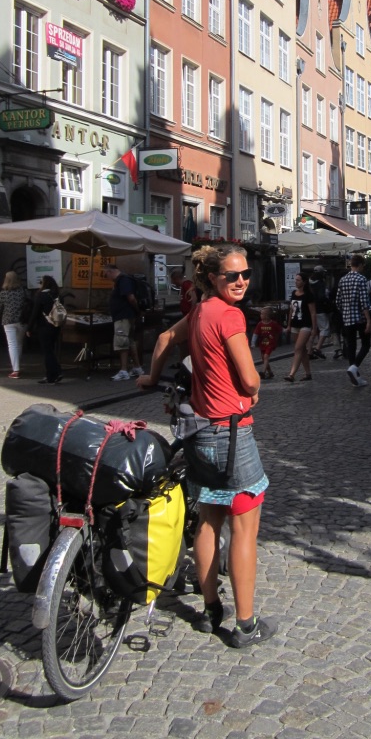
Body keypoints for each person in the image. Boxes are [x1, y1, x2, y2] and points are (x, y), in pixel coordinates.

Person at [138, 243, 275, 649]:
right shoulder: (229, 315)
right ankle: (246, 625)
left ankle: (211, 609)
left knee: (209, 519)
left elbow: (165, 338)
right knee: (244, 528)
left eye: (246, 274)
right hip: (231, 434)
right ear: (213, 277)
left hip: (198, 431)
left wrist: (150, 378)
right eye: (232, 275)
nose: (241, 281)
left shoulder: (200, 310)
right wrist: (253, 389)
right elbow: (250, 379)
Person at [102, 265, 145, 381]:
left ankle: (123, 370)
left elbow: (131, 298)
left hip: (123, 316)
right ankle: (137, 367)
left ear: (110, 271)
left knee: (122, 342)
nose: (106, 277)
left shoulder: (123, 280)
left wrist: (137, 310)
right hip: (126, 316)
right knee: (130, 341)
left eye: (105, 274)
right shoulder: (123, 280)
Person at [335, 253, 371, 387]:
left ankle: (355, 375)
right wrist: (368, 320)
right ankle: (354, 367)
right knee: (366, 344)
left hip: (347, 318)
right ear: (360, 265)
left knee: (351, 346)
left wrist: (345, 311)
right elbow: (364, 302)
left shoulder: (343, 280)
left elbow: (338, 301)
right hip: (360, 318)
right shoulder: (361, 279)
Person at [26, 275, 63, 384]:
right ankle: (51, 375)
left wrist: (29, 328)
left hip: (44, 326)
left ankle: (56, 372)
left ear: (44, 284)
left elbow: (35, 313)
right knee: (50, 350)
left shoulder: (41, 296)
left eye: (40, 282)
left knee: (47, 351)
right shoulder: (58, 295)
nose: (39, 285)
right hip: (56, 326)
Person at [0, 270, 30, 378]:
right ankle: (17, 366)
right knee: (19, 344)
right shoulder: (23, 291)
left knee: (12, 344)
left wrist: (2, 314)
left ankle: (15, 369)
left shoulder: (3, 293)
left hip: (8, 321)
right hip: (22, 321)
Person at [284, 273, 316, 382]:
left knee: (298, 348)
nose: (296, 282)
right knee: (302, 350)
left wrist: (314, 328)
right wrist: (289, 325)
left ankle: (292, 374)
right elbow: (291, 310)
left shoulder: (308, 295)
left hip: (305, 325)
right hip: (295, 324)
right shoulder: (294, 293)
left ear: (304, 282)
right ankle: (308, 373)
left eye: (298, 280)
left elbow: (313, 313)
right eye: (296, 280)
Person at [307, 266, 331, 359]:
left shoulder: (308, 282)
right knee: (325, 328)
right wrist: (327, 302)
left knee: (313, 330)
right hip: (319, 309)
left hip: (309, 309)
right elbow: (322, 297)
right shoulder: (320, 283)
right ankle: (318, 348)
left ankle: (309, 351)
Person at [252, 307, 282, 379]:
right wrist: (253, 342)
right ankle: (270, 372)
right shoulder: (260, 324)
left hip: (270, 344)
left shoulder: (273, 324)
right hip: (262, 344)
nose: (260, 315)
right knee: (264, 359)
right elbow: (255, 333)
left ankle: (263, 372)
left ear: (267, 316)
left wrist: (286, 330)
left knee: (266, 357)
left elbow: (280, 329)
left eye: (262, 314)